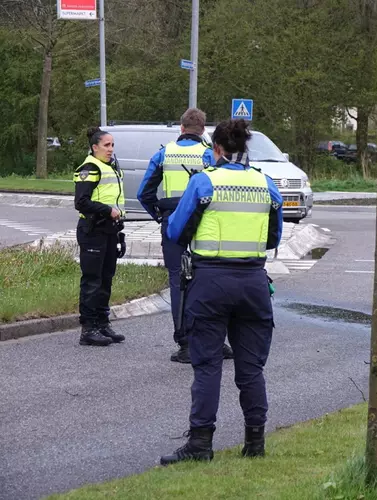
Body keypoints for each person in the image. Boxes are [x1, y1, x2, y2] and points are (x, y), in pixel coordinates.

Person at [159, 118, 283, 466]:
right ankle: (255, 442)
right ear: (245, 149)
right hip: (254, 283)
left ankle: (200, 443)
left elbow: (176, 230)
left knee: (208, 366)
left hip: (210, 282)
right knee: (251, 370)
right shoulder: (265, 182)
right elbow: (273, 237)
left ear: (216, 148)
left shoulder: (204, 182)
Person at [137, 108, 234, 363]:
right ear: (203, 130)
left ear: (181, 128)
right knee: (211, 279)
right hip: (205, 222)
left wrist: (160, 215)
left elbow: (144, 193)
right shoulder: (209, 155)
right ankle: (215, 341)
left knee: (178, 282)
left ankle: (185, 344)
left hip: (173, 223)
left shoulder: (163, 154)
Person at [73, 127, 127, 347]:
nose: (110, 149)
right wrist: (106, 210)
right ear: (94, 147)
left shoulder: (110, 167)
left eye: (112, 145)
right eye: (106, 145)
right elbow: (81, 202)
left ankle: (103, 323)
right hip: (93, 230)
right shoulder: (89, 168)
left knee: (106, 278)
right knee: (92, 280)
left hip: (109, 230)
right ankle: (88, 329)